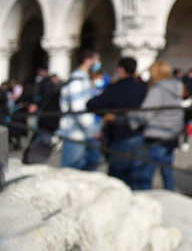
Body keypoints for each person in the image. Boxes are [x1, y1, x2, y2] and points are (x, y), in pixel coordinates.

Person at [86, 57, 148, 189]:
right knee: (136, 181)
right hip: (139, 136)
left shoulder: (115, 88)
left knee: (117, 182)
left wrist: (106, 115)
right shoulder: (142, 89)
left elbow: (91, 104)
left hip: (119, 137)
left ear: (121, 70)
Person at [133, 60, 185, 190]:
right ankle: (170, 195)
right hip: (172, 133)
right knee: (167, 171)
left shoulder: (158, 89)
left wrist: (132, 121)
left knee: (147, 172)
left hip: (158, 133)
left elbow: (147, 112)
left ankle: (146, 200)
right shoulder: (177, 86)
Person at [56, 49, 103, 170]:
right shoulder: (77, 80)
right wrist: (93, 130)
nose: (98, 64)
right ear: (88, 61)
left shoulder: (83, 79)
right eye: (96, 60)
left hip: (80, 132)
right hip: (75, 133)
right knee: (70, 170)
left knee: (89, 163)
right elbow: (79, 109)